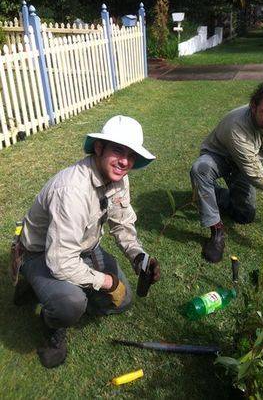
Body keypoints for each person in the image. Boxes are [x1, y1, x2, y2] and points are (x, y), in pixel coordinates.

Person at [13, 115, 160, 368]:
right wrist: (107, 282)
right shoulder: (72, 191)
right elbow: (60, 261)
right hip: (42, 253)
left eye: (131, 154)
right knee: (69, 303)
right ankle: (51, 324)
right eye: (118, 150)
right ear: (99, 148)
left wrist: (139, 257)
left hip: (84, 247)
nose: (125, 161)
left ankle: (53, 290)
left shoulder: (119, 177)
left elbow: (122, 222)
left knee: (123, 302)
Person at [190, 81, 263, 263]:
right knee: (200, 169)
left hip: (245, 163)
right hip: (219, 157)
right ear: (253, 107)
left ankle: (207, 194)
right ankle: (217, 232)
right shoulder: (237, 125)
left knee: (245, 215)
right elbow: (254, 172)